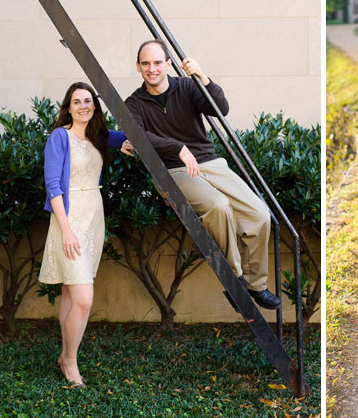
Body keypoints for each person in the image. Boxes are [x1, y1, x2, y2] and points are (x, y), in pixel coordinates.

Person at [124, 40, 281, 310]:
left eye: (158, 62)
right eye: (146, 64)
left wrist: (202, 78)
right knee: (218, 207)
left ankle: (256, 286)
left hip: (210, 163)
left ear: (168, 64)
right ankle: (236, 280)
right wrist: (178, 147)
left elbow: (220, 109)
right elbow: (139, 138)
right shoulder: (134, 103)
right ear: (138, 67)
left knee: (259, 214)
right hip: (171, 170)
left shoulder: (186, 86)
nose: (152, 69)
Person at [40, 81, 133, 388]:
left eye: (88, 101)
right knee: (83, 298)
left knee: (71, 293)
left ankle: (65, 356)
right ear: (68, 107)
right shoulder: (59, 137)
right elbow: (53, 186)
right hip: (69, 219)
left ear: (95, 105)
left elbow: (137, 138)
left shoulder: (100, 136)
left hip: (94, 217)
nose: (83, 106)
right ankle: (69, 360)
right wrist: (66, 230)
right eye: (76, 101)